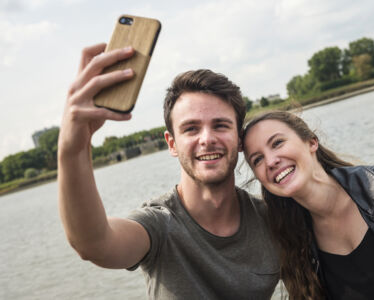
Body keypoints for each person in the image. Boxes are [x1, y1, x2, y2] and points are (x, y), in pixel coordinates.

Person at [58, 44, 279, 299]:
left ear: (239, 139)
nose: (207, 139)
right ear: (172, 143)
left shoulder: (270, 220)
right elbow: (94, 244)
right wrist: (72, 149)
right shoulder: (158, 225)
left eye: (220, 125)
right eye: (191, 129)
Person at [242, 111, 374, 300]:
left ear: (311, 142)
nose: (270, 161)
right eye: (257, 159)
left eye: (277, 143)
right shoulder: (293, 242)